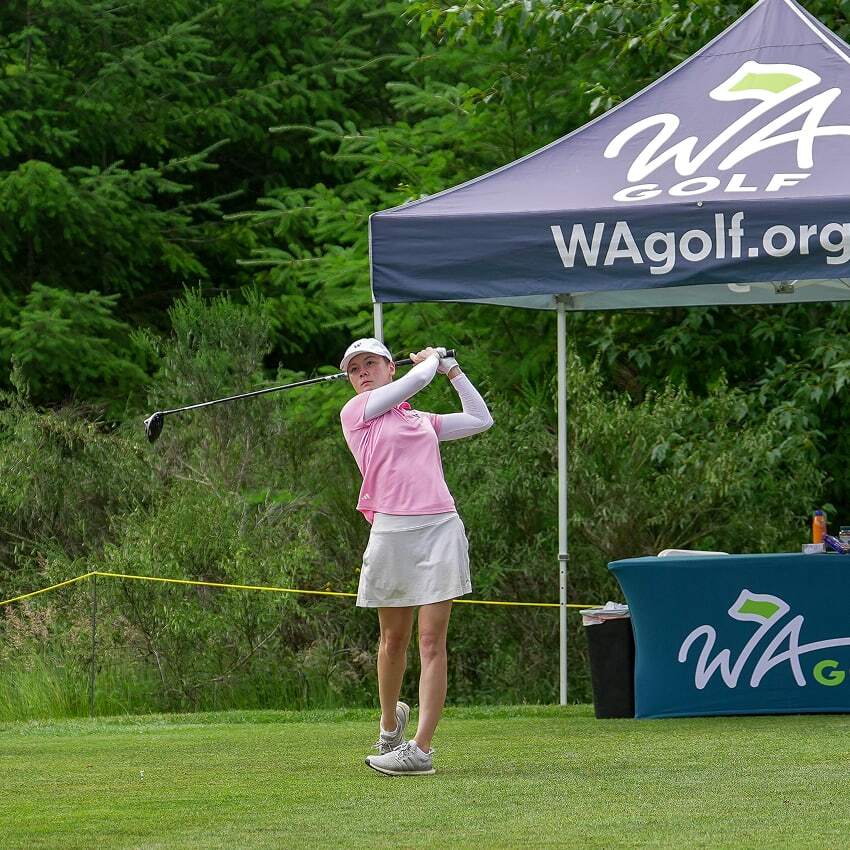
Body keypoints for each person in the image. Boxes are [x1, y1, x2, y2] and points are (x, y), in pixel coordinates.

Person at [339, 338, 493, 776]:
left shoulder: (422, 420)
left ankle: (420, 750)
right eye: (354, 369)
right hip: (391, 531)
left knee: (431, 641)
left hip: (440, 528)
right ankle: (390, 727)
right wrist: (431, 363)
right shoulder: (358, 414)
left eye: (371, 363)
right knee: (393, 641)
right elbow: (417, 380)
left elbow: (481, 419)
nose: (363, 372)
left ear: (389, 366)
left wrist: (453, 370)